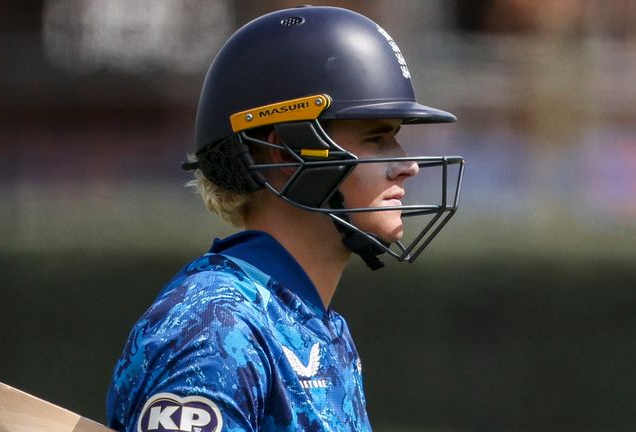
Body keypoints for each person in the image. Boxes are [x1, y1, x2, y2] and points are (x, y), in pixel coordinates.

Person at [106, 5, 464, 432]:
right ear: (284, 152)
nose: (408, 166)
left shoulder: (319, 326)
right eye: (377, 138)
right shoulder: (215, 328)